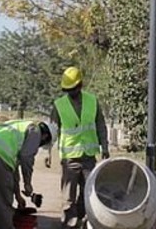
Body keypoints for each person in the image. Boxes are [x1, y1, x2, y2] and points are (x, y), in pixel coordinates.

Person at [50, 66, 109, 229]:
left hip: (88, 156)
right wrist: (47, 151)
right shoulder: (59, 105)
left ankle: (83, 221)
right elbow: (53, 130)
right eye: (68, 89)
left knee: (88, 192)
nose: (71, 92)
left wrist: (105, 146)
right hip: (70, 158)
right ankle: (68, 223)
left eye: (73, 88)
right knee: (68, 195)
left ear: (80, 85)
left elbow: (100, 125)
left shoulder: (92, 101)